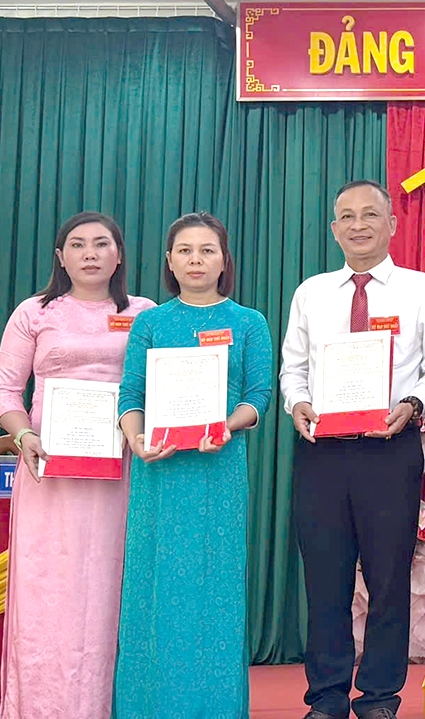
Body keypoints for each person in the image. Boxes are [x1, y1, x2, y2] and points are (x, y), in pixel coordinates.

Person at [279, 180, 425, 719]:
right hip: (322, 451)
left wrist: (414, 404)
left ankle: (379, 697)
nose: (359, 225)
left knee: (388, 577)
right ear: (334, 229)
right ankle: (326, 697)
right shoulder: (311, 293)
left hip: (390, 449)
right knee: (325, 579)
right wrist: (297, 403)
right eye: (347, 217)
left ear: (392, 224)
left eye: (370, 214)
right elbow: (293, 369)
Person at [0, 212, 155, 719]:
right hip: (49, 473)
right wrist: (24, 435)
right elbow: (4, 389)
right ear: (60, 257)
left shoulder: (145, 313)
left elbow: (165, 385)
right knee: (49, 589)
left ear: (119, 255)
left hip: (122, 473)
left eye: (101, 243)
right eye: (78, 244)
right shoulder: (34, 312)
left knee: (110, 586)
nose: (90, 253)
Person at [112, 212, 274, 718]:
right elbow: (131, 394)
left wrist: (227, 425)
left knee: (213, 589)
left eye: (207, 250)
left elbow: (259, 396)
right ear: (169, 261)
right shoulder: (150, 322)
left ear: (225, 260)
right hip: (157, 472)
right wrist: (136, 439)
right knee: (155, 588)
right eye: (185, 251)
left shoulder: (249, 322)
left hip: (217, 471)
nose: (196, 260)